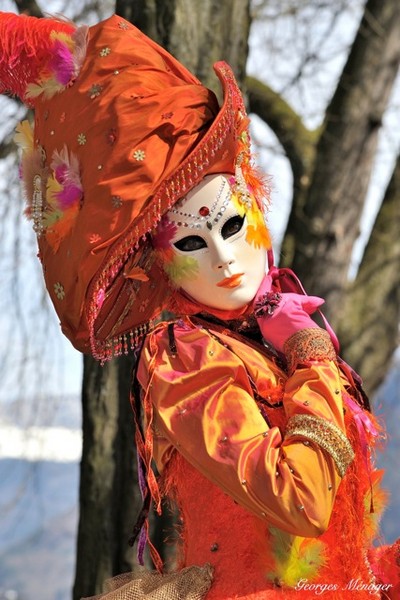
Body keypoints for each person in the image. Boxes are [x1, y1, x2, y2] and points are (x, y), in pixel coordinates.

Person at [0, 11, 398, 600]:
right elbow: (301, 500)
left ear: (257, 207)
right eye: (191, 241)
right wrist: (312, 355)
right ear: (159, 261)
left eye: (235, 224)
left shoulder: (262, 337)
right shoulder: (185, 358)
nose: (224, 257)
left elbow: (336, 554)